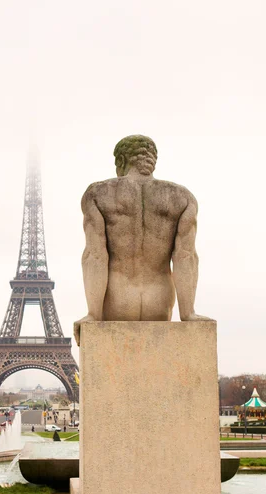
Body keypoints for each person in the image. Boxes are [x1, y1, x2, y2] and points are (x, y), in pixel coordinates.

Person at [74, 135, 210, 345]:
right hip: (159, 301)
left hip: (117, 300)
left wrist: (93, 314)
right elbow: (186, 257)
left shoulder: (98, 194)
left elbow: (95, 255)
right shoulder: (183, 198)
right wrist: (188, 313)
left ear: (121, 160)